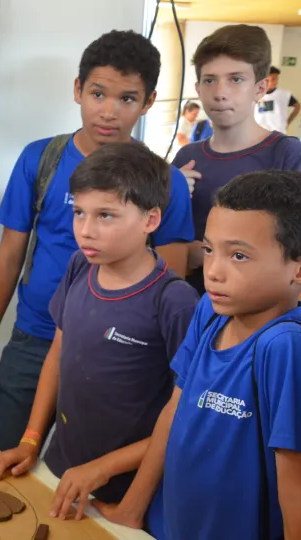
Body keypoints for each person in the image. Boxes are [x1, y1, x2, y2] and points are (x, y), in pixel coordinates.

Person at [0, 29, 195, 452]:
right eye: (98, 94)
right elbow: (10, 254)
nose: (109, 111)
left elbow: (170, 278)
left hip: (117, 350)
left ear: (148, 102)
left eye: (127, 99)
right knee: (8, 456)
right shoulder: (41, 158)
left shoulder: (165, 182)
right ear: (78, 90)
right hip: (35, 337)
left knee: (89, 466)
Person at [0, 142, 199, 520]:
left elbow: (185, 417)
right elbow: (57, 355)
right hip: (63, 471)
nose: (85, 230)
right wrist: (31, 441)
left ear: (150, 220)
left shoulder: (174, 301)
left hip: (125, 492)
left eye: (106, 216)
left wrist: (104, 469)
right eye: (79, 213)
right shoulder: (79, 267)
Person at [94, 170, 301, 540]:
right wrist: (131, 509)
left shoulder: (284, 345)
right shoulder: (209, 311)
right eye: (208, 250)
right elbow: (174, 410)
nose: (214, 271)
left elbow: (294, 485)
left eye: (239, 255)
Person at [172, 25, 301, 296]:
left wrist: (210, 253)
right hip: (190, 302)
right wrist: (170, 193)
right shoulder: (187, 158)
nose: (220, 92)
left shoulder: (286, 154)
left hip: (262, 306)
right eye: (210, 80)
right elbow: (163, 235)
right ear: (198, 88)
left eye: (236, 79)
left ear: (260, 88)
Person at [255, 66, 300, 134]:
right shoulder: (255, 94)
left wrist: (288, 122)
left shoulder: (283, 94)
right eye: (273, 79)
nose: (275, 82)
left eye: (276, 79)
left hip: (278, 133)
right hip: (259, 133)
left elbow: (297, 106)